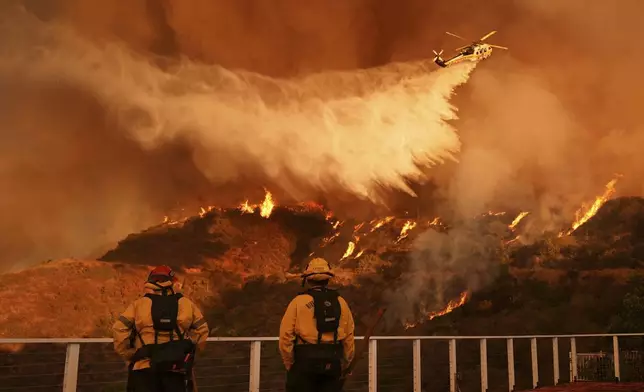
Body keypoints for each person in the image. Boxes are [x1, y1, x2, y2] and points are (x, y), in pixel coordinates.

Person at [112, 265, 209, 392]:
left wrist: (129, 355)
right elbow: (202, 330)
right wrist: (188, 354)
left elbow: (119, 329)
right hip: (176, 367)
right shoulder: (186, 304)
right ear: (172, 281)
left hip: (144, 367)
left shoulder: (138, 305)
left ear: (151, 281)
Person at [279, 258, 356, 392]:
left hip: (304, 364)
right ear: (328, 279)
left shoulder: (298, 302)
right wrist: (347, 362)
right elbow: (349, 336)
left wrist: (289, 363)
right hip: (333, 363)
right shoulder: (340, 302)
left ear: (307, 279)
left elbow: (285, 336)